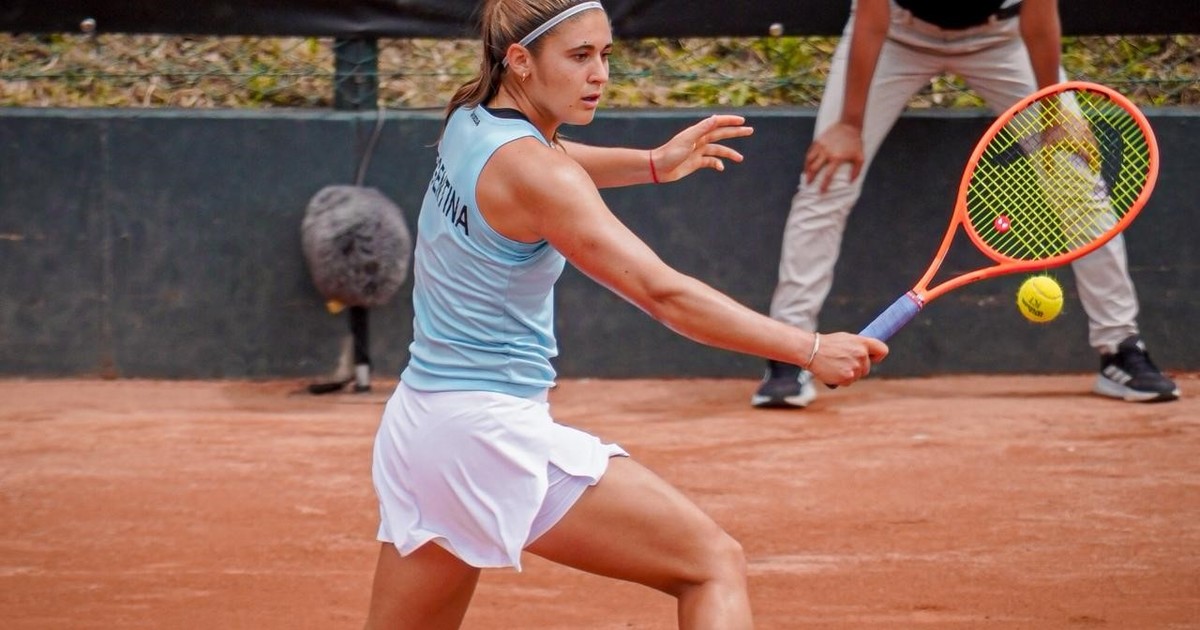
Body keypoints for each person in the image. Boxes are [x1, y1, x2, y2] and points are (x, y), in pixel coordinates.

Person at [362, 1, 889, 628]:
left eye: (605, 55)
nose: (600, 74)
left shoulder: (468, 121)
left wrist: (653, 164)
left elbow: (547, 160)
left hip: (422, 429)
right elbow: (664, 294)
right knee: (711, 564)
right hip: (487, 438)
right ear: (521, 61)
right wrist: (808, 349)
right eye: (579, 56)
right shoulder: (539, 174)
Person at [752, 0, 1181, 409]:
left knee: (1076, 177)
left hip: (1000, 40)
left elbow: (1037, 18)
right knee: (827, 175)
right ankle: (791, 353)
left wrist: (1052, 114)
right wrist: (849, 125)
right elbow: (872, 18)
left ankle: (1120, 347)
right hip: (898, 35)